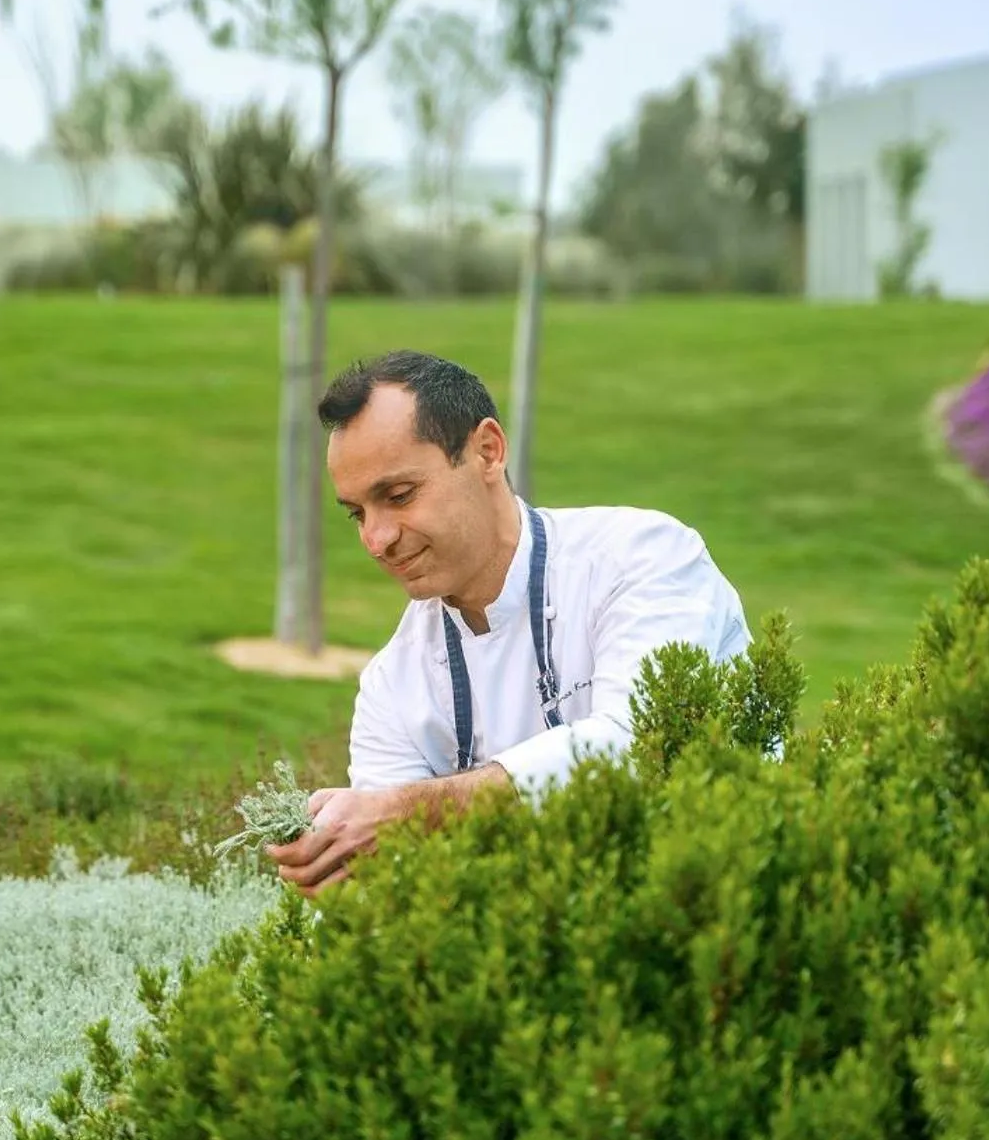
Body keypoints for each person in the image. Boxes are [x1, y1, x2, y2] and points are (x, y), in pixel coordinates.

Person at [269, 350, 751, 898]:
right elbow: (398, 887)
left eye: (398, 496)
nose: (376, 540)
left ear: (488, 451)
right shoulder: (390, 686)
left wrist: (412, 814)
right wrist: (344, 870)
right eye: (358, 513)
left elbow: (637, 750)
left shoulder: (644, 558)